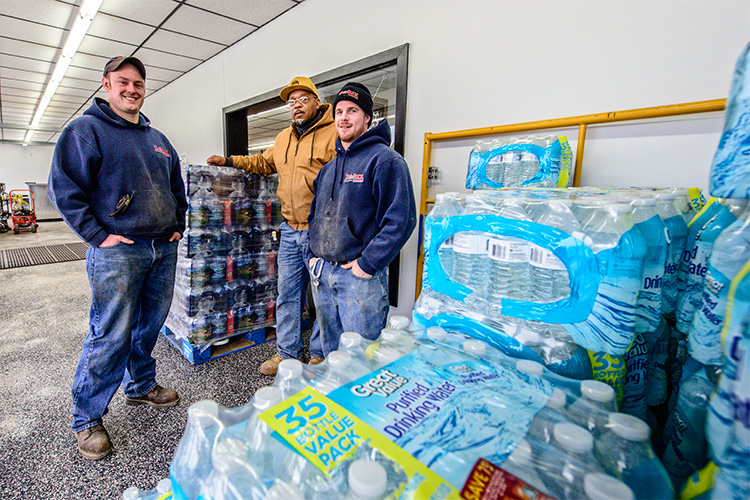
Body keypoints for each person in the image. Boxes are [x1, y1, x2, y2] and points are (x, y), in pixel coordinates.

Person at [47, 56, 187, 460]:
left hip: (162, 248)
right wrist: (97, 236)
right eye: (123, 82)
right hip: (118, 253)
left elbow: (176, 187)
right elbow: (65, 190)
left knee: (148, 327)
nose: (132, 89)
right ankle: (86, 418)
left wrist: (177, 223)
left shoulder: (157, 138)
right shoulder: (85, 131)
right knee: (110, 333)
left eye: (138, 83)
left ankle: (141, 386)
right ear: (106, 85)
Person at [206, 76, 336, 375]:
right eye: (292, 101)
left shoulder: (333, 135)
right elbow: (262, 164)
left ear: (317, 102)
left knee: (324, 297)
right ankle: (287, 354)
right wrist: (228, 161)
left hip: (322, 230)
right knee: (288, 294)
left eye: (303, 99)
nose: (297, 105)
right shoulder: (283, 138)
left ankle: (319, 355)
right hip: (290, 229)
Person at [306, 82, 417, 354]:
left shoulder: (386, 161)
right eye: (339, 111)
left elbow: (401, 220)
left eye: (352, 111)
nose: (344, 117)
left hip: (358, 278)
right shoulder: (328, 169)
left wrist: (367, 265)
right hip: (323, 272)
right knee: (330, 353)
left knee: (361, 359)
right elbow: (314, 216)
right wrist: (311, 254)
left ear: (367, 117)